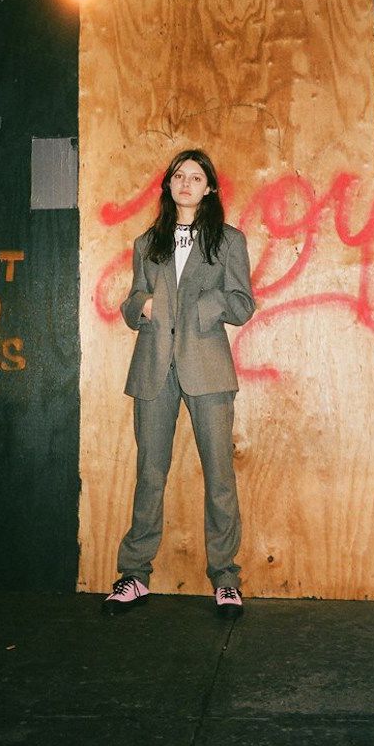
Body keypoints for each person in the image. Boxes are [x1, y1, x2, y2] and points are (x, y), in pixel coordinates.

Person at [104, 148, 255, 619]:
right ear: (168, 185)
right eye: (178, 176)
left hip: (207, 368)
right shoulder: (146, 242)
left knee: (220, 476)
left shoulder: (228, 241)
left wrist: (205, 307)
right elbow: (132, 301)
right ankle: (134, 574)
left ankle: (225, 578)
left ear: (209, 188)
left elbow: (242, 304)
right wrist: (142, 306)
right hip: (153, 368)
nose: (186, 183)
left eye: (195, 177)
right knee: (150, 473)